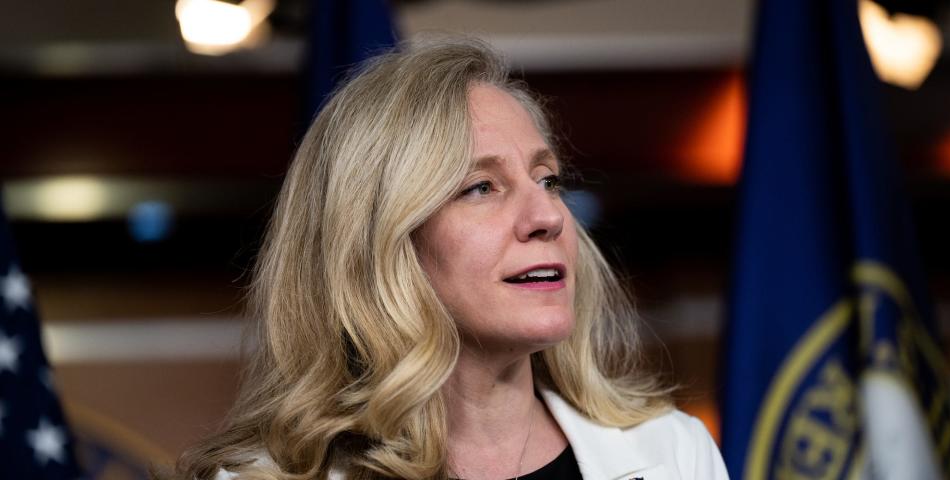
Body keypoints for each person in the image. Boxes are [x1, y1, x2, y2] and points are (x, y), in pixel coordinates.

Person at [172, 37, 729, 480]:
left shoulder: (673, 453)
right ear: (380, 242)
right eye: (481, 187)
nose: (550, 216)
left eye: (548, 178)